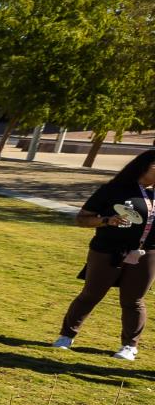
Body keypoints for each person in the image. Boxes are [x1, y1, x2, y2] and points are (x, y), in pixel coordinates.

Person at [55, 150, 155, 361]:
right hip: (108, 250)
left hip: (147, 254)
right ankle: (66, 336)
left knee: (134, 300)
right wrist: (107, 220)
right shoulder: (113, 190)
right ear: (144, 167)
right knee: (91, 294)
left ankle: (129, 346)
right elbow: (82, 219)